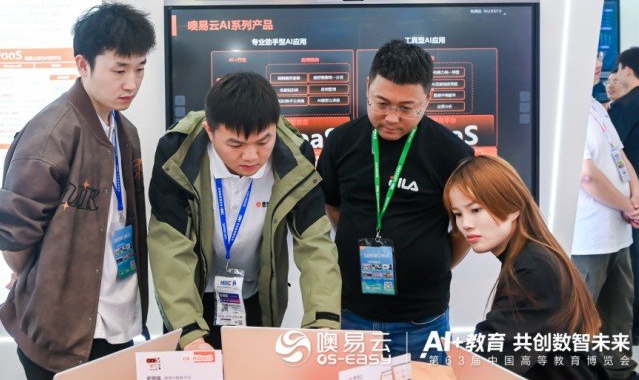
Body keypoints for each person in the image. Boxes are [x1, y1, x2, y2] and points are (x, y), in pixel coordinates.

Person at [0, 3, 156, 379]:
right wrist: (36, 274)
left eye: (140, 69)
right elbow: (13, 234)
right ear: (82, 65)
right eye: (119, 70)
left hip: (118, 320)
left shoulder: (125, 131)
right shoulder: (52, 133)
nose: (131, 83)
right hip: (61, 334)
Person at [148, 72, 341, 350]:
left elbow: (315, 245)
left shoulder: (296, 157)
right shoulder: (177, 153)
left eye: (263, 142)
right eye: (235, 145)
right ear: (210, 131)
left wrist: (324, 324)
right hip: (192, 290)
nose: (251, 156)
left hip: (256, 295)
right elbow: (169, 246)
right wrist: (190, 336)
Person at [317, 39, 474, 362]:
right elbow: (333, 207)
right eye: (381, 103)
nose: (391, 117)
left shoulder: (452, 153)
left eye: (406, 108)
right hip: (352, 311)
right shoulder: (340, 142)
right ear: (367, 87)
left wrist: (431, 263)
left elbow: (463, 230)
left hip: (422, 318)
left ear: (428, 99)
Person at [445, 155, 608, 379]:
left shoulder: (533, 268)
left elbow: (489, 355)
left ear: (513, 207)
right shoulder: (532, 256)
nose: (465, 224)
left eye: (475, 210)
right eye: (457, 214)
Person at [571, 51, 639, 379]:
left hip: (618, 234)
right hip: (587, 240)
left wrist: (638, 195)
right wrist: (628, 205)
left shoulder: (594, 105)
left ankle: (618, 373)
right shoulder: (567, 109)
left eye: (599, 55)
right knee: (580, 329)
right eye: (589, 54)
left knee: (618, 324)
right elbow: (586, 175)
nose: (598, 63)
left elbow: (620, 156)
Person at [608, 46, 639, 344]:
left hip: (631, 193)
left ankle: (631, 326)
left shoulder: (624, 106)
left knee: (632, 259)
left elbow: (614, 153)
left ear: (627, 69)